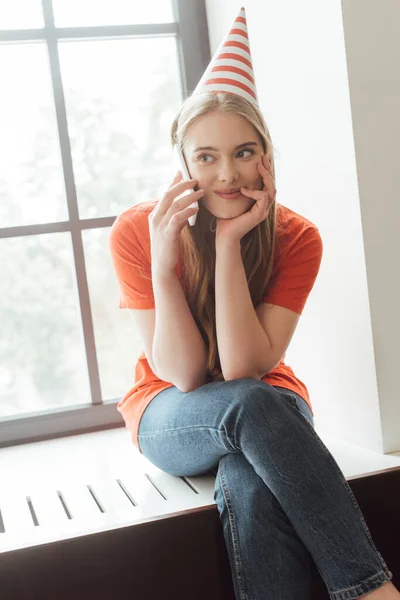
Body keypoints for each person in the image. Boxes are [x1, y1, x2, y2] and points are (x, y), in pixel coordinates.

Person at [109, 7, 398, 600]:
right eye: (206, 157)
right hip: (170, 410)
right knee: (251, 406)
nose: (226, 175)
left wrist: (230, 244)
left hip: (268, 402)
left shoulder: (296, 236)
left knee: (254, 480)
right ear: (183, 163)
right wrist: (167, 265)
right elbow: (186, 375)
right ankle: (370, 590)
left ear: (265, 155)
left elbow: (244, 368)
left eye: (243, 152)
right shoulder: (139, 229)